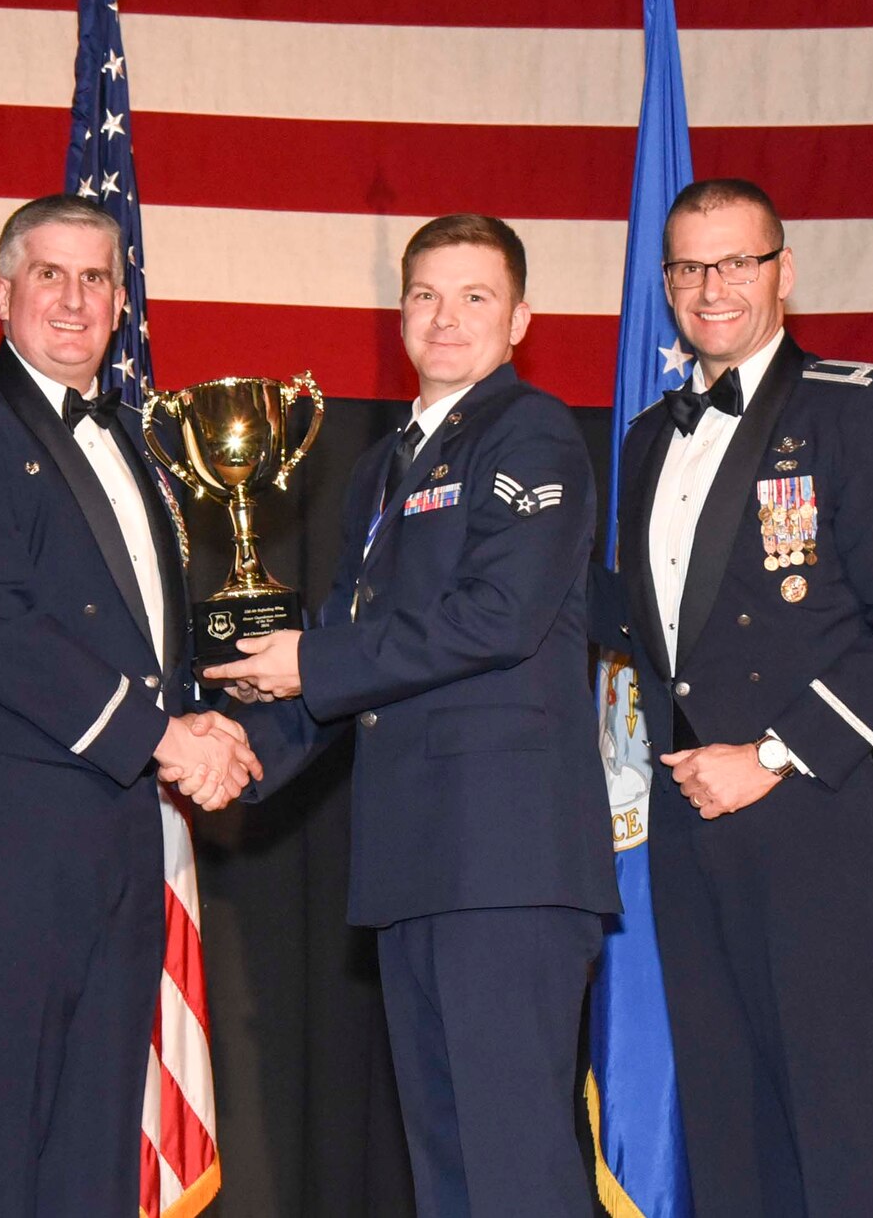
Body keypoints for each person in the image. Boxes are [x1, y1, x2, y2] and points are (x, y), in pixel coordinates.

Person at [207, 214, 619, 1218]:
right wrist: (238, 747)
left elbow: (496, 615)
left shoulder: (531, 431)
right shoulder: (381, 467)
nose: (446, 318)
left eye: (475, 296)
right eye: (425, 294)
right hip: (414, 861)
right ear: (399, 313)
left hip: (505, 864)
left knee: (515, 1168)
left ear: (519, 317)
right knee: (449, 1172)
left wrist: (311, 657)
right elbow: (349, 654)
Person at [588, 179, 873, 1216]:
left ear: (781, 272)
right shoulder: (646, 439)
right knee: (725, 1112)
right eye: (686, 268)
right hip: (688, 807)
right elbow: (638, 622)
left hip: (814, 801)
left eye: (733, 263)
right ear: (663, 284)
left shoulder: (854, 407)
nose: (709, 288)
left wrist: (770, 753)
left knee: (834, 1112)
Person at [0, 194, 258, 1217]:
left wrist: (243, 714)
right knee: (4, 1127)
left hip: (122, 818)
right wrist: (164, 738)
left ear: (121, 303)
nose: (73, 297)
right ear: (2, 290)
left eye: (96, 277)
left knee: (101, 1128)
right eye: (48, 273)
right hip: (3, 819)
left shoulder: (143, 442)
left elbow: (156, 639)